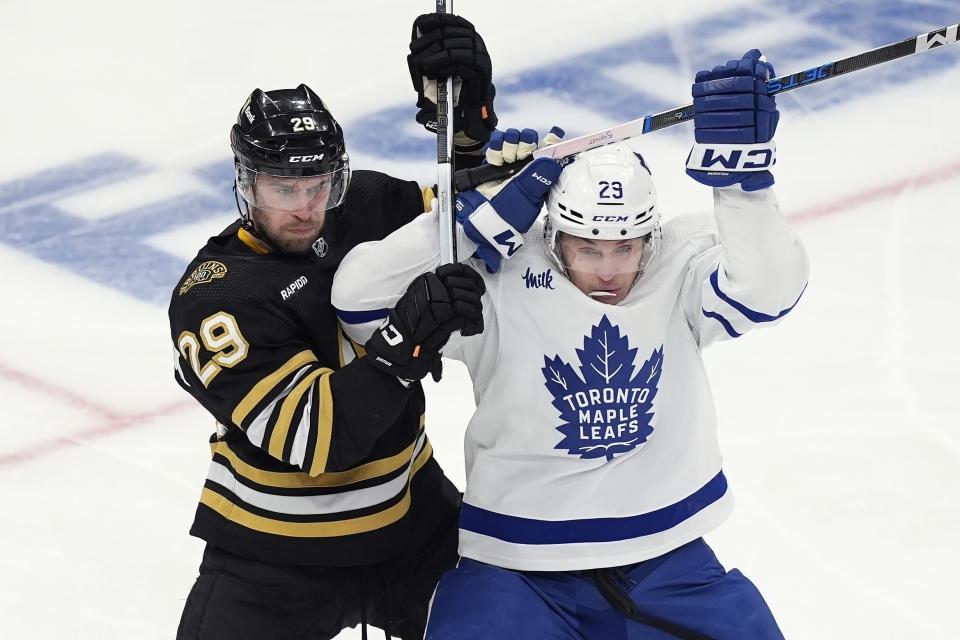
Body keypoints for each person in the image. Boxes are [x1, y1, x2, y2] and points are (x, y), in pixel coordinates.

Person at [332, 50, 808, 638]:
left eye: (625, 248)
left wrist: (742, 184)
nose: (608, 269)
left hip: (670, 562)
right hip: (517, 571)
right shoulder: (501, 272)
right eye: (588, 248)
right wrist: (468, 217)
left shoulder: (676, 264)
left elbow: (767, 292)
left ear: (650, 236)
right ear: (555, 234)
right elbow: (358, 300)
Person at [169, 14, 493, 640]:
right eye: (283, 186)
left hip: (408, 519)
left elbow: (468, 222)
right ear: (246, 182)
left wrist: (468, 120)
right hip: (274, 555)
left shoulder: (360, 207)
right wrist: (406, 337)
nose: (305, 206)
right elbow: (319, 441)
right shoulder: (217, 297)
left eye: (317, 184)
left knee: (531, 619)